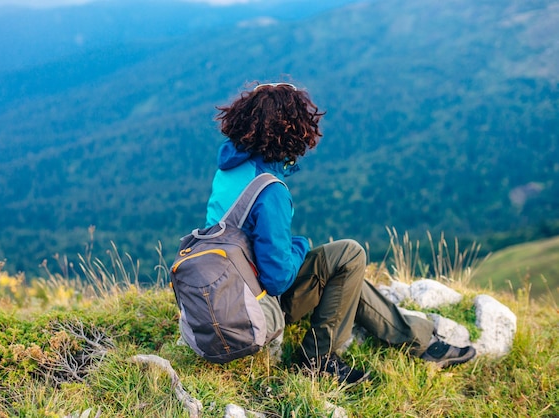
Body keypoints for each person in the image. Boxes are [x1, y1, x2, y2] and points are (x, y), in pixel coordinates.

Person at [204, 82, 476, 385]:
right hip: (255, 305)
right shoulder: (269, 193)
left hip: (224, 295)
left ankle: (419, 341)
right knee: (349, 255)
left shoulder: (230, 168)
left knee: (346, 269)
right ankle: (318, 359)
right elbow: (277, 278)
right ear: (289, 132)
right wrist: (299, 246)